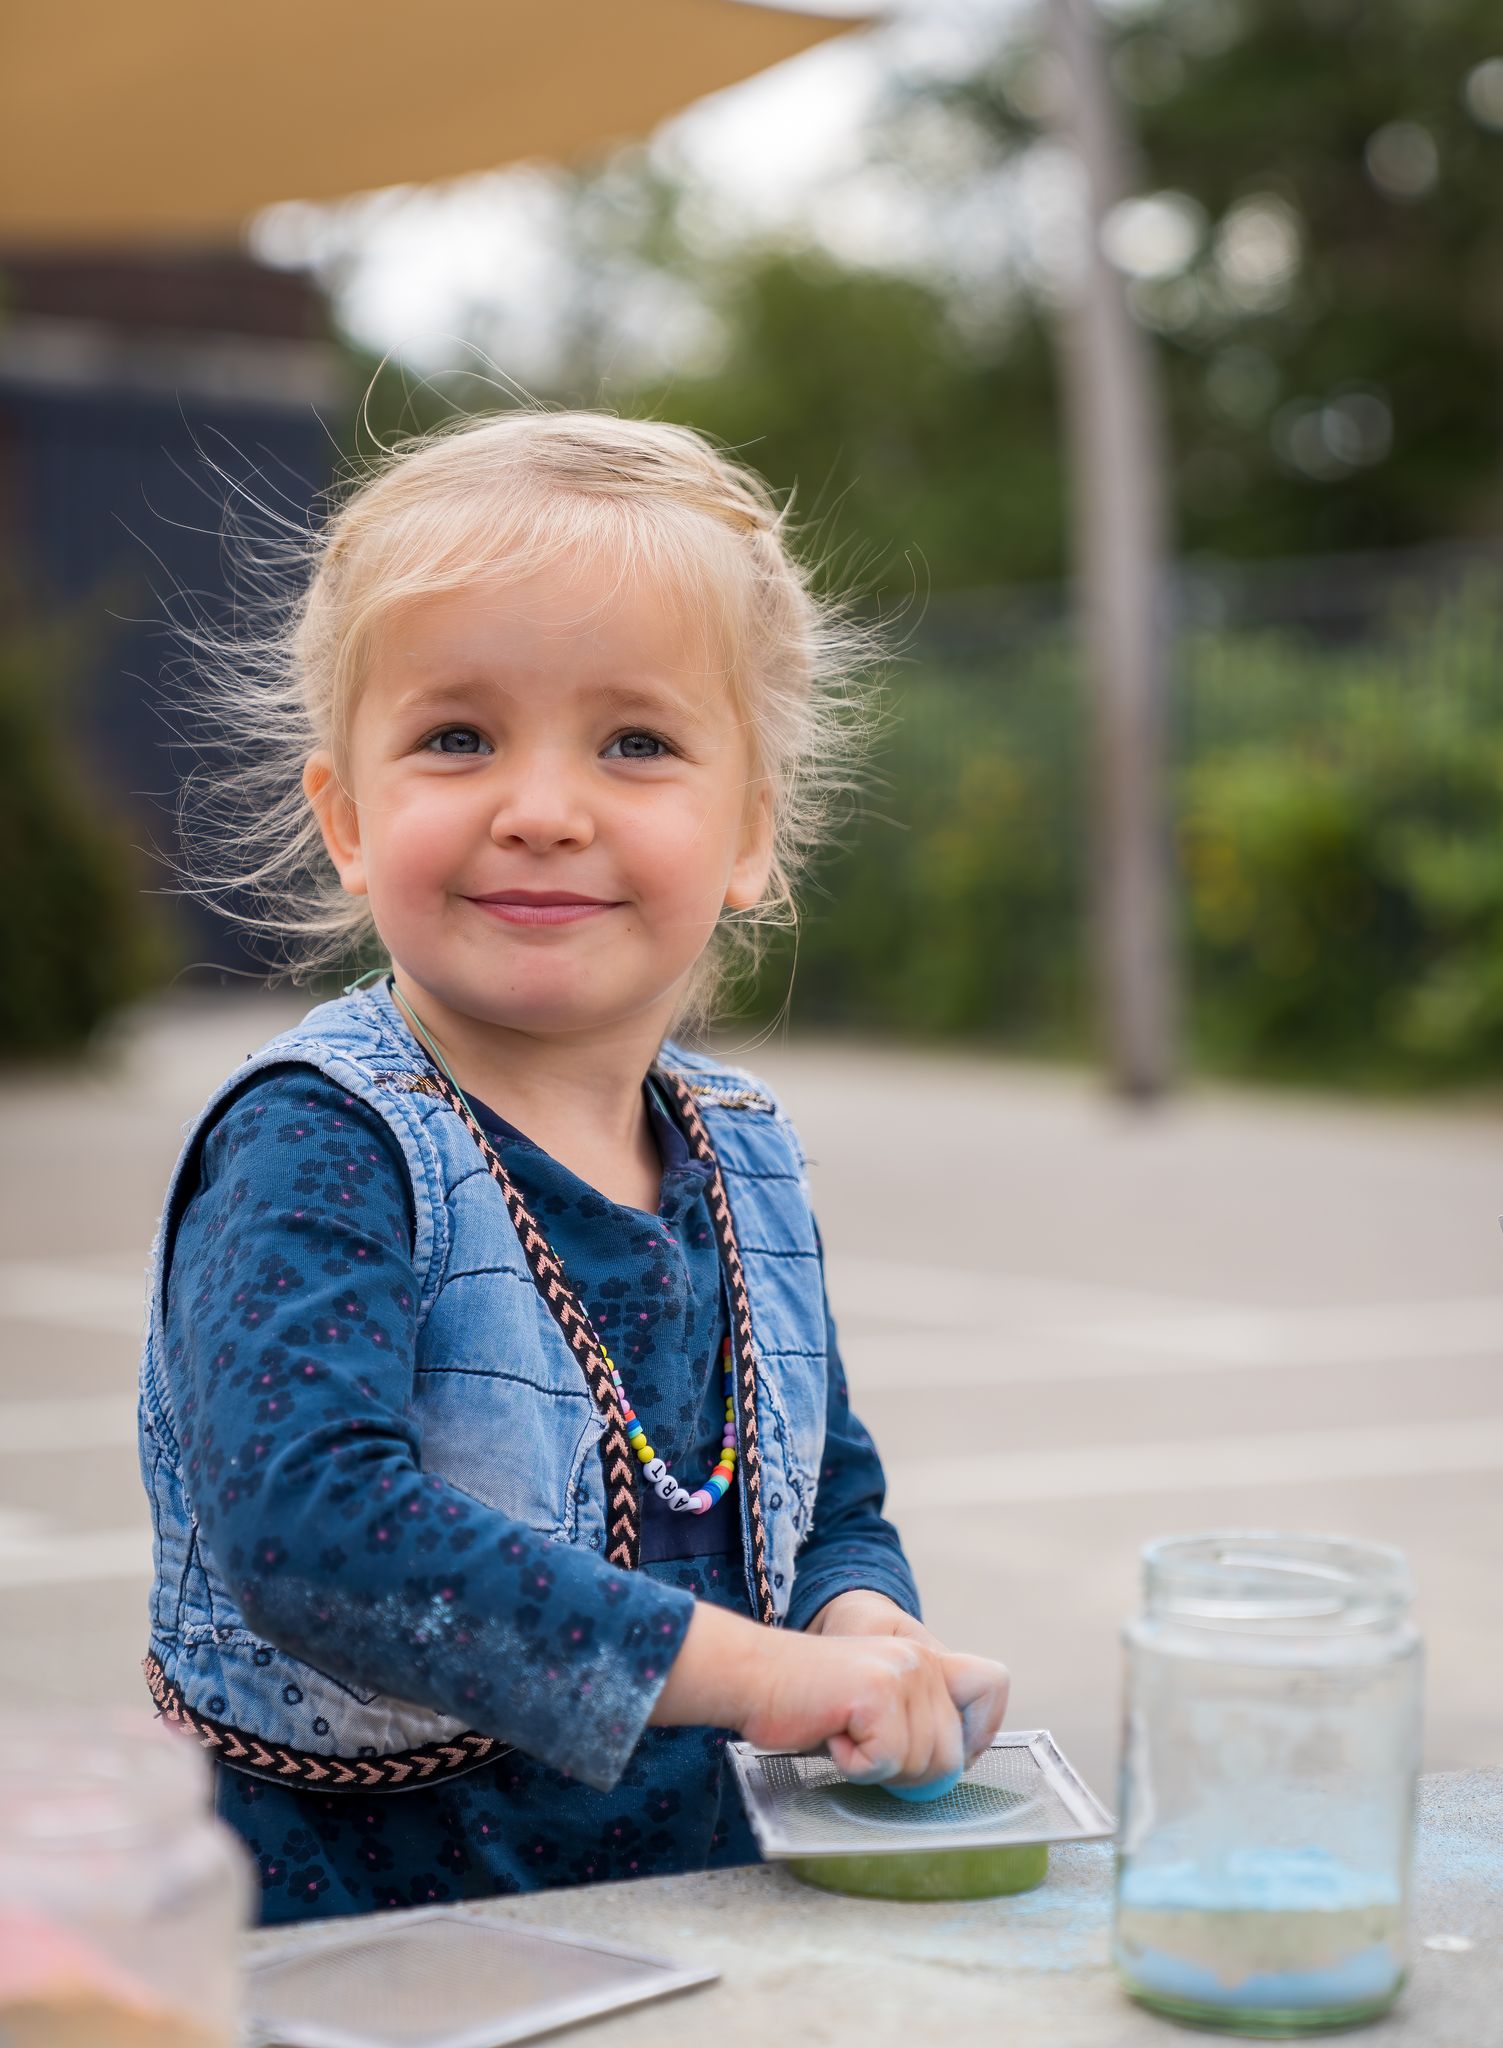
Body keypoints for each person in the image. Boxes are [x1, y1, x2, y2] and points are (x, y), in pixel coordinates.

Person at [138, 410, 1010, 1925]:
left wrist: (864, 1633)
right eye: (458, 737)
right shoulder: (322, 1139)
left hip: (693, 1897)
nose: (542, 809)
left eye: (636, 742)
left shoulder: (740, 1155)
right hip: (377, 1929)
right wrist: (758, 1672)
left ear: (750, 833)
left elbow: (828, 1488)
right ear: (347, 817)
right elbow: (314, 1533)